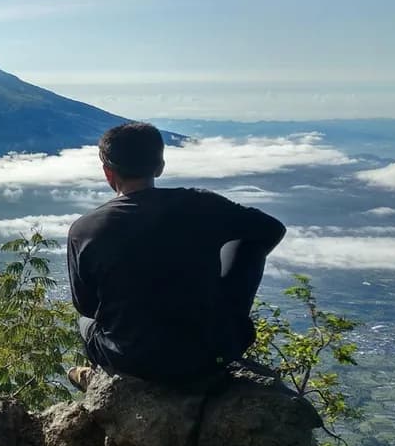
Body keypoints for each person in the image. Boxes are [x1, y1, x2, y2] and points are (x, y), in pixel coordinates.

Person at [66, 122, 285, 387]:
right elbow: (271, 229)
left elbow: (87, 305)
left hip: (129, 359)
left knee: (84, 322)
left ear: (108, 173)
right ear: (160, 166)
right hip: (209, 354)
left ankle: (98, 376)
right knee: (249, 245)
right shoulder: (203, 205)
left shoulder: (84, 230)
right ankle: (228, 324)